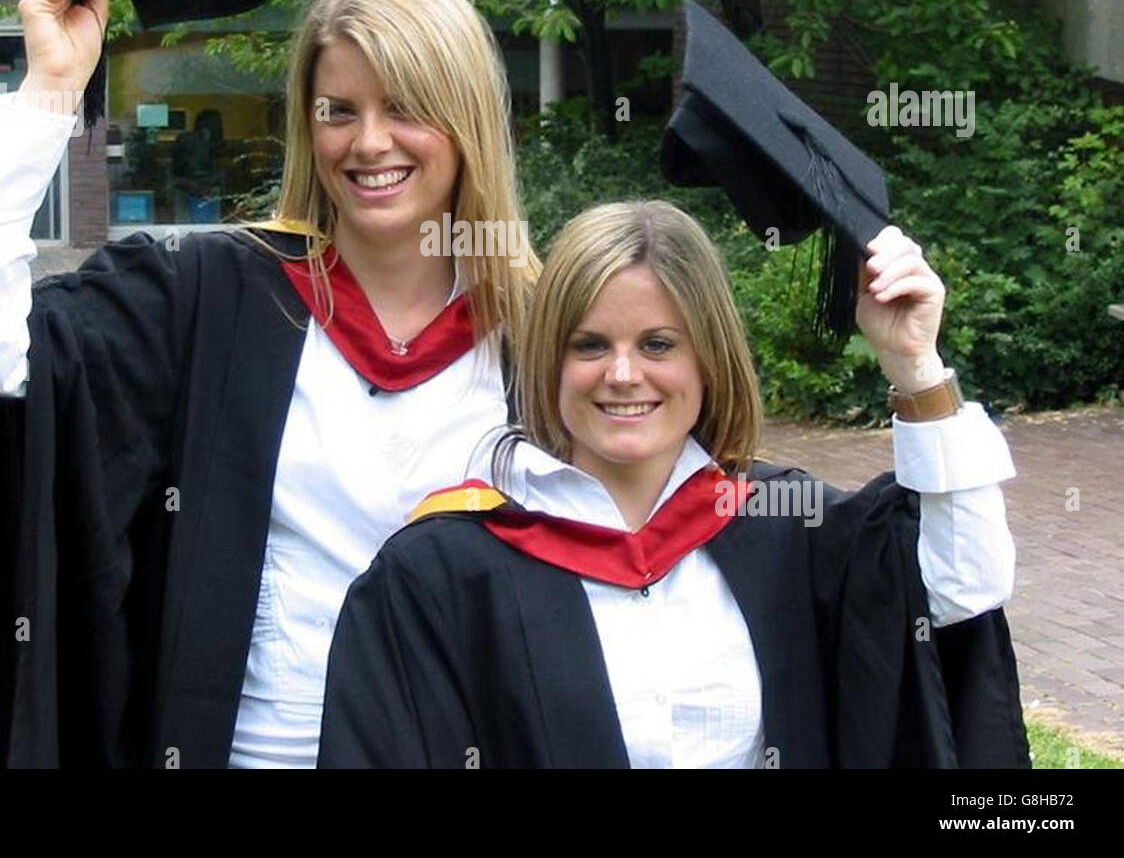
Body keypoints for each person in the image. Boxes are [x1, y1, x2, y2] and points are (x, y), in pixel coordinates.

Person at [0, 0, 541, 767]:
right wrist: (49, 92)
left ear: (466, 123)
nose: (370, 142)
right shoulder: (213, 293)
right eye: (339, 110)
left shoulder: (542, 331)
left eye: (407, 107)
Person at [318, 200, 1026, 768]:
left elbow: (966, 583)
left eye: (658, 343)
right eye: (590, 344)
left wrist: (916, 367)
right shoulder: (441, 573)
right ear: (548, 359)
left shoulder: (788, 528)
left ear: (708, 358)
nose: (623, 374)